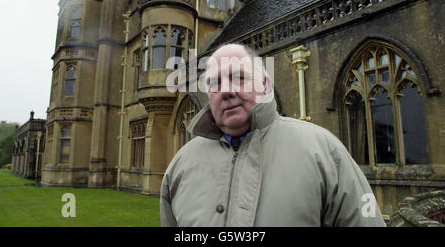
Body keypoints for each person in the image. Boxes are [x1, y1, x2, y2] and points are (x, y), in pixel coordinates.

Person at [160, 44, 386, 227]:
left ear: (265, 84)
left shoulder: (324, 151)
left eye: (238, 77)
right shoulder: (180, 165)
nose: (226, 91)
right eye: (215, 84)